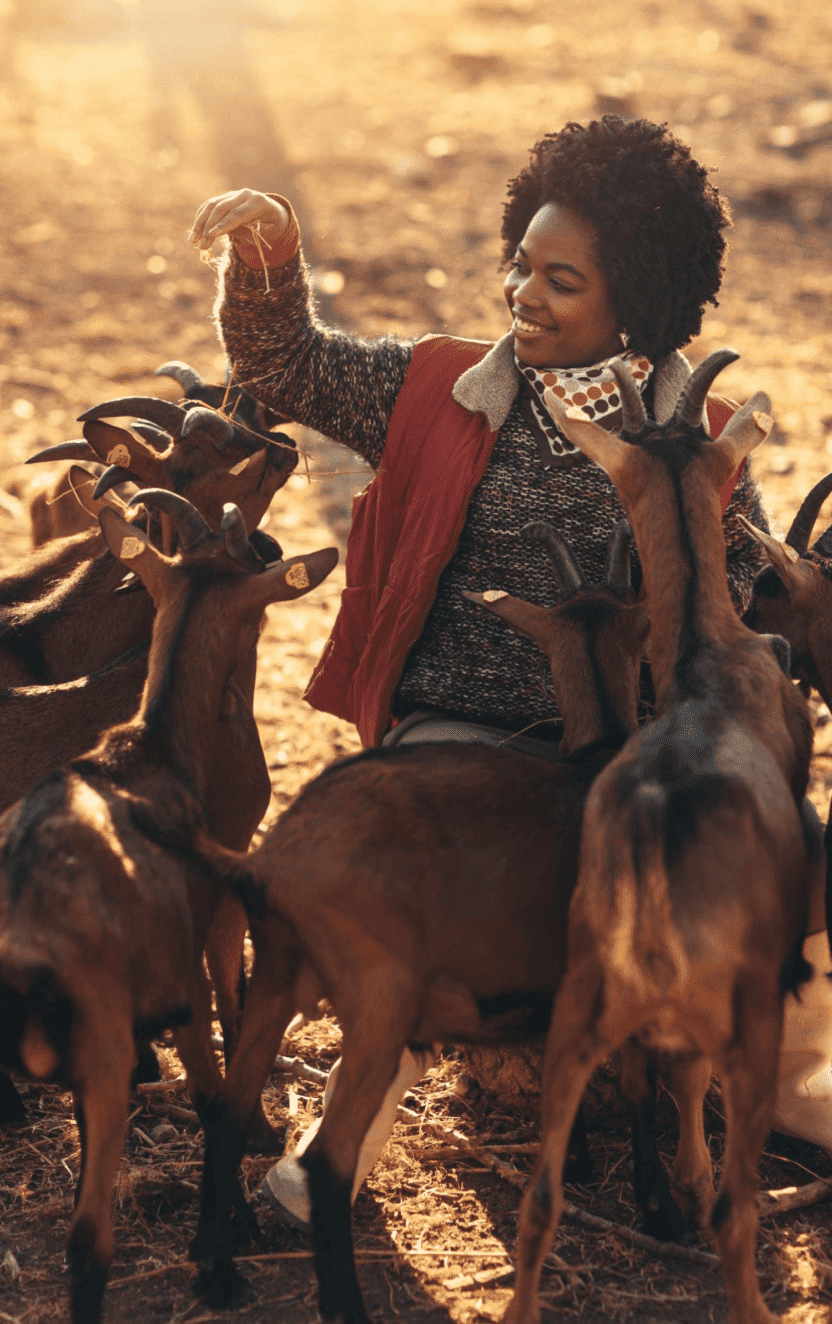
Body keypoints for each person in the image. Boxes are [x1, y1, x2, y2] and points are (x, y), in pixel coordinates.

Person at [189, 115, 832, 1228]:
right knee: (401, 893)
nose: (520, 294)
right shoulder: (437, 388)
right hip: (461, 748)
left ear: (633, 298)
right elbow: (286, 364)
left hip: (628, 754)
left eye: (560, 280)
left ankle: (787, 1087)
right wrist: (268, 263)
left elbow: (749, 607)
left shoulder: (705, 437)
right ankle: (336, 1149)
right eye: (519, 265)